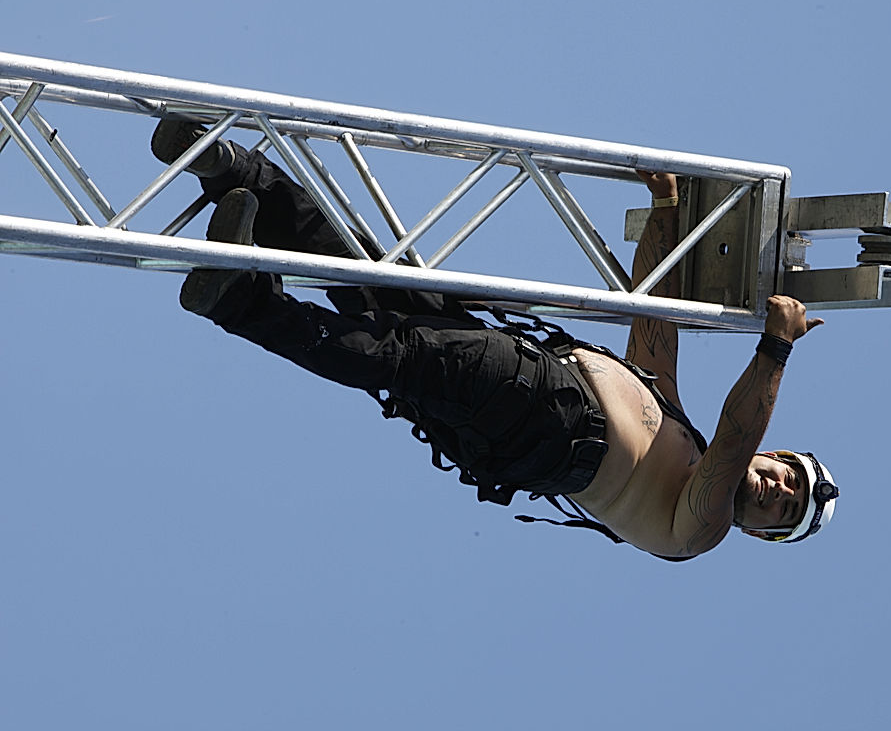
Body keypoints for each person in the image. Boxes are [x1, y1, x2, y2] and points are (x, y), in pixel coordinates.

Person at [152, 117, 838, 560]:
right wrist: (664, 213)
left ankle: (241, 300)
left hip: (545, 420)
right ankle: (239, 176)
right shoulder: (675, 423)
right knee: (372, 274)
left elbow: (735, 439)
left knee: (403, 357)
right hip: (533, 387)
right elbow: (653, 321)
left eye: (782, 510)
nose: (777, 489)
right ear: (781, 456)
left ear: (758, 532)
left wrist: (776, 347)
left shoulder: (701, 527)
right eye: (789, 480)